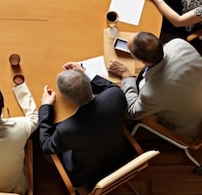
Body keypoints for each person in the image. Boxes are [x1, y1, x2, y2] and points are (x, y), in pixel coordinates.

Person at [39, 62, 135, 192]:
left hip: (87, 175)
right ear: (89, 85)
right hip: (122, 156)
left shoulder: (66, 129)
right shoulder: (116, 95)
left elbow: (45, 145)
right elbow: (109, 87)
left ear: (66, 99)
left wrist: (46, 107)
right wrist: (84, 71)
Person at [108, 32, 202, 140]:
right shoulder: (179, 43)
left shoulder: (151, 92)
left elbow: (132, 111)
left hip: (193, 128)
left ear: (140, 60)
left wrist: (126, 75)